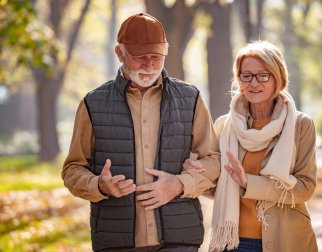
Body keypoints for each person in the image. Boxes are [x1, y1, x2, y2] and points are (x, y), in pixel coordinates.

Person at [62, 13, 220, 252]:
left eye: (156, 57)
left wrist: (179, 184)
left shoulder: (192, 99)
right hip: (116, 242)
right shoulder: (92, 104)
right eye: (140, 58)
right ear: (120, 53)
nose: (149, 65)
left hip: (180, 241)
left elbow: (214, 161)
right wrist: (99, 185)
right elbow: (72, 170)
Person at [185, 41, 318, 252]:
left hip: (286, 240)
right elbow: (217, 189)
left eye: (263, 75)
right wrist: (202, 173)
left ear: (279, 78)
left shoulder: (301, 125)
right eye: (246, 75)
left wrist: (249, 183)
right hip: (232, 242)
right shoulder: (224, 126)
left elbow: (305, 189)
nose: (253, 83)